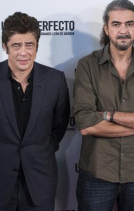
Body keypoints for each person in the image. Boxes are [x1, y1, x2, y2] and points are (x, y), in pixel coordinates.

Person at [74, 0, 134, 211]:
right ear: (106, 29)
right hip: (97, 172)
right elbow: (86, 123)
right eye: (116, 24)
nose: (123, 30)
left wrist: (108, 114)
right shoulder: (87, 66)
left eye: (129, 24)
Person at [0, 12, 70, 211]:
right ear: (5, 47)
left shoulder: (55, 80)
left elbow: (60, 125)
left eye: (29, 45)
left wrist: (42, 149)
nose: (24, 53)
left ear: (37, 47)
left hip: (40, 183)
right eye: (16, 45)